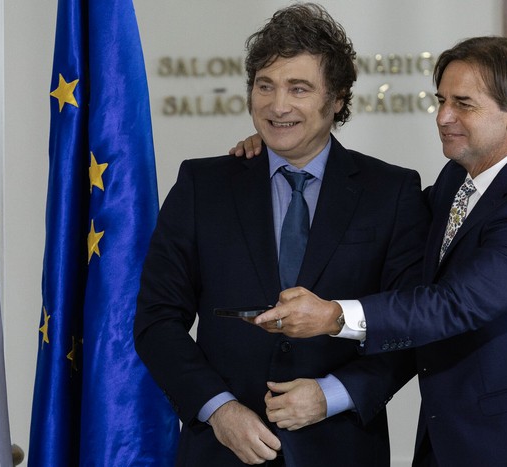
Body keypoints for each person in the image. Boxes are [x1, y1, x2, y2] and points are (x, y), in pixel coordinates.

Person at [250, 36, 507, 466]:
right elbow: (378, 221)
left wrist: (335, 316)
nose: (444, 116)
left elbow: (452, 306)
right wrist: (285, 150)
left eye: (464, 103)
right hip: (447, 440)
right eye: (441, 100)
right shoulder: (457, 178)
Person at [133, 3, 427, 466]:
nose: (278, 105)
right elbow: (156, 320)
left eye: (299, 88)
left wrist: (334, 395)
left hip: (342, 449)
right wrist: (220, 410)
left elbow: (409, 324)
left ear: (336, 98)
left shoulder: (392, 192)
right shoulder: (201, 185)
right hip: (221, 450)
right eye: (264, 86)